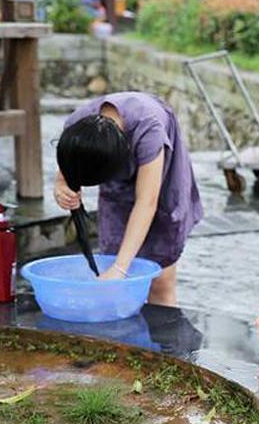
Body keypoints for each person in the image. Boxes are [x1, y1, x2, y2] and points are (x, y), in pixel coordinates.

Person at [54, 92, 203, 307]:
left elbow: (147, 202)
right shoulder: (78, 125)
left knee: (159, 277)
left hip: (161, 185)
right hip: (115, 180)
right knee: (114, 271)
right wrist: (61, 184)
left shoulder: (148, 127)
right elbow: (66, 166)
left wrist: (120, 268)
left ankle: (164, 339)